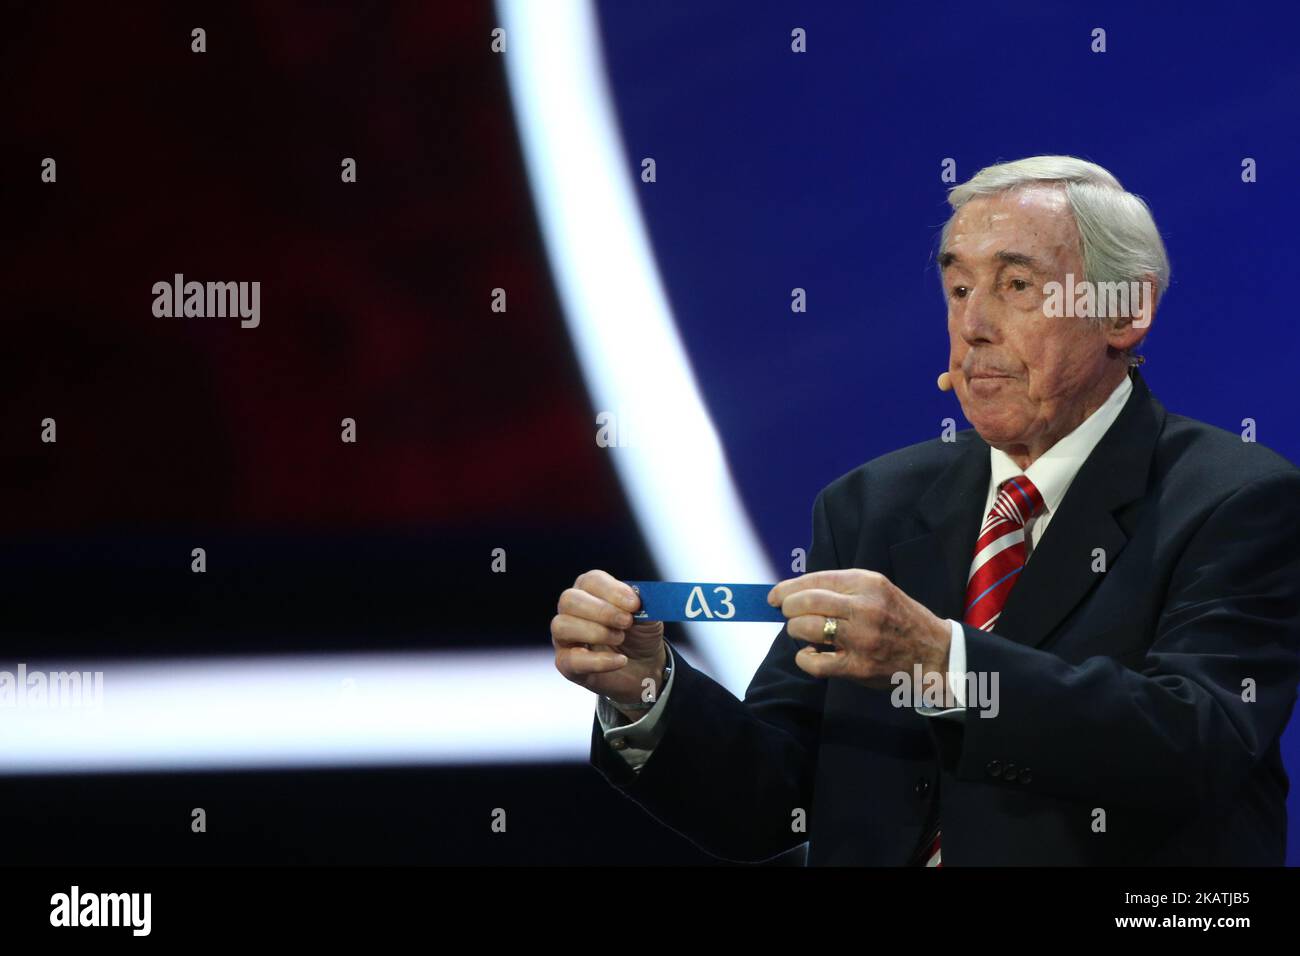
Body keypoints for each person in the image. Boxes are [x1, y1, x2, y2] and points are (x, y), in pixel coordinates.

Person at [550, 156, 1300, 865]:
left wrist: (945, 665)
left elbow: (1195, 743)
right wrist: (648, 688)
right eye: (959, 289)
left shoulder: (1233, 500)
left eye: (1015, 286)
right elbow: (772, 798)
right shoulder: (873, 506)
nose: (974, 326)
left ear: (1125, 312)